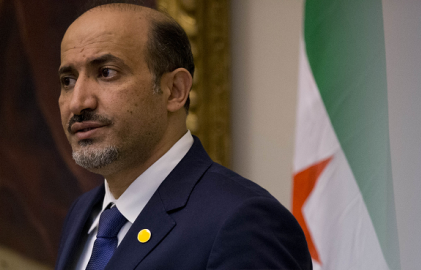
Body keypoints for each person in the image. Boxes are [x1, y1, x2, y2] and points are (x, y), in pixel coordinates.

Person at [55, 2, 312, 270]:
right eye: (68, 81)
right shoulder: (83, 213)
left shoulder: (244, 222)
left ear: (175, 90)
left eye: (107, 72)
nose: (78, 102)